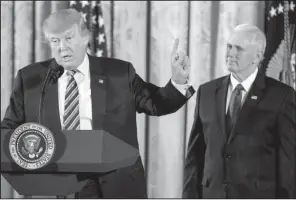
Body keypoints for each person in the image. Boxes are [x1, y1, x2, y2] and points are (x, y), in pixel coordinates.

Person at [1, 9, 195, 198]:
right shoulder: (31, 78)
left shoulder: (119, 73)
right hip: (58, 186)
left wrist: (177, 82)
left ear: (85, 38)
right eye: (55, 41)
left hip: (117, 185)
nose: (62, 47)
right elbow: (9, 129)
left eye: (69, 38)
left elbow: (157, 103)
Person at [183, 24, 296, 199]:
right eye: (229, 46)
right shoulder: (206, 92)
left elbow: (288, 163)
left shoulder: (281, 96)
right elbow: (195, 155)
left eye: (239, 49)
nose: (231, 53)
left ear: (257, 56)